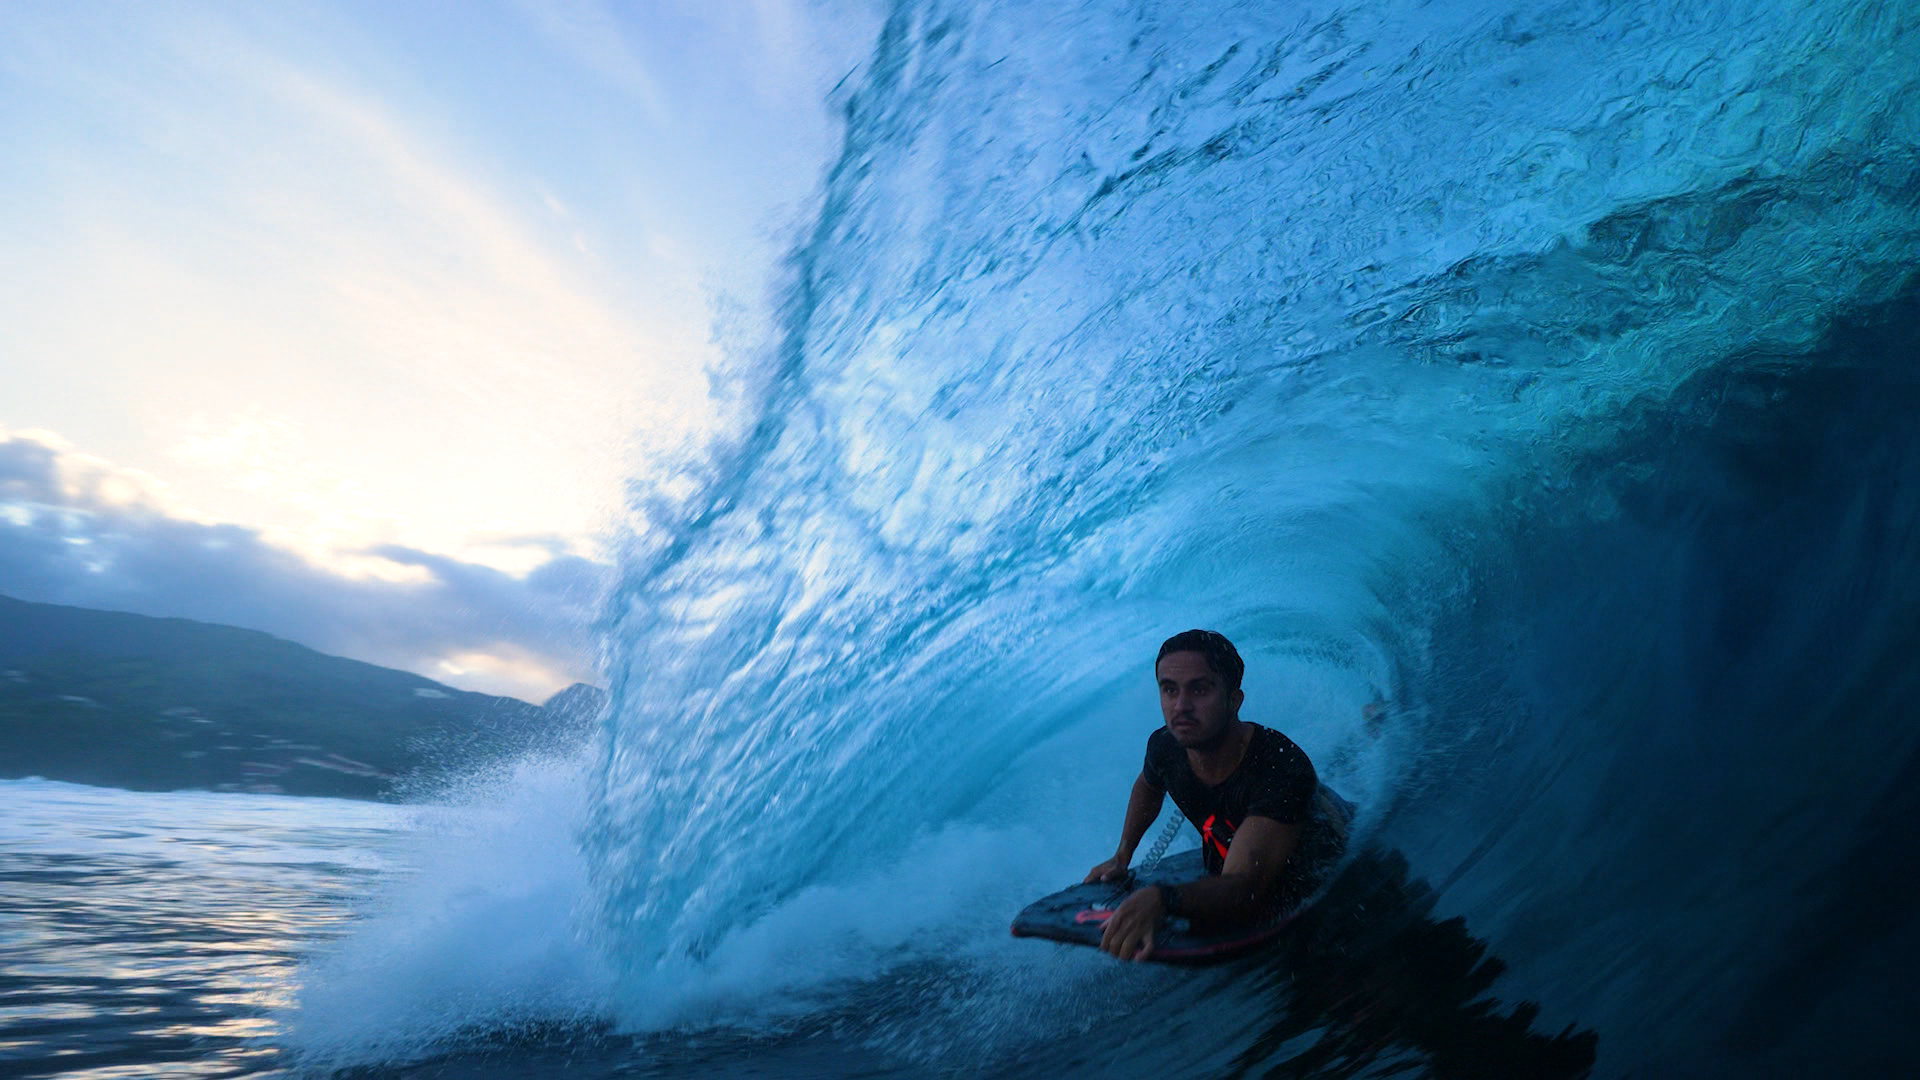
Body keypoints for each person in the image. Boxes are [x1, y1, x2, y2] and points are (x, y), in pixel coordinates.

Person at [1085, 629, 1332, 961]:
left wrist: (1163, 899)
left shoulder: (1280, 767)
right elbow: (1148, 786)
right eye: (1169, 690)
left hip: (1318, 877)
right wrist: (1122, 855)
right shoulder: (1165, 747)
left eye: (1199, 689)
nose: (1181, 706)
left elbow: (1246, 886)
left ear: (1234, 699)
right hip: (1235, 858)